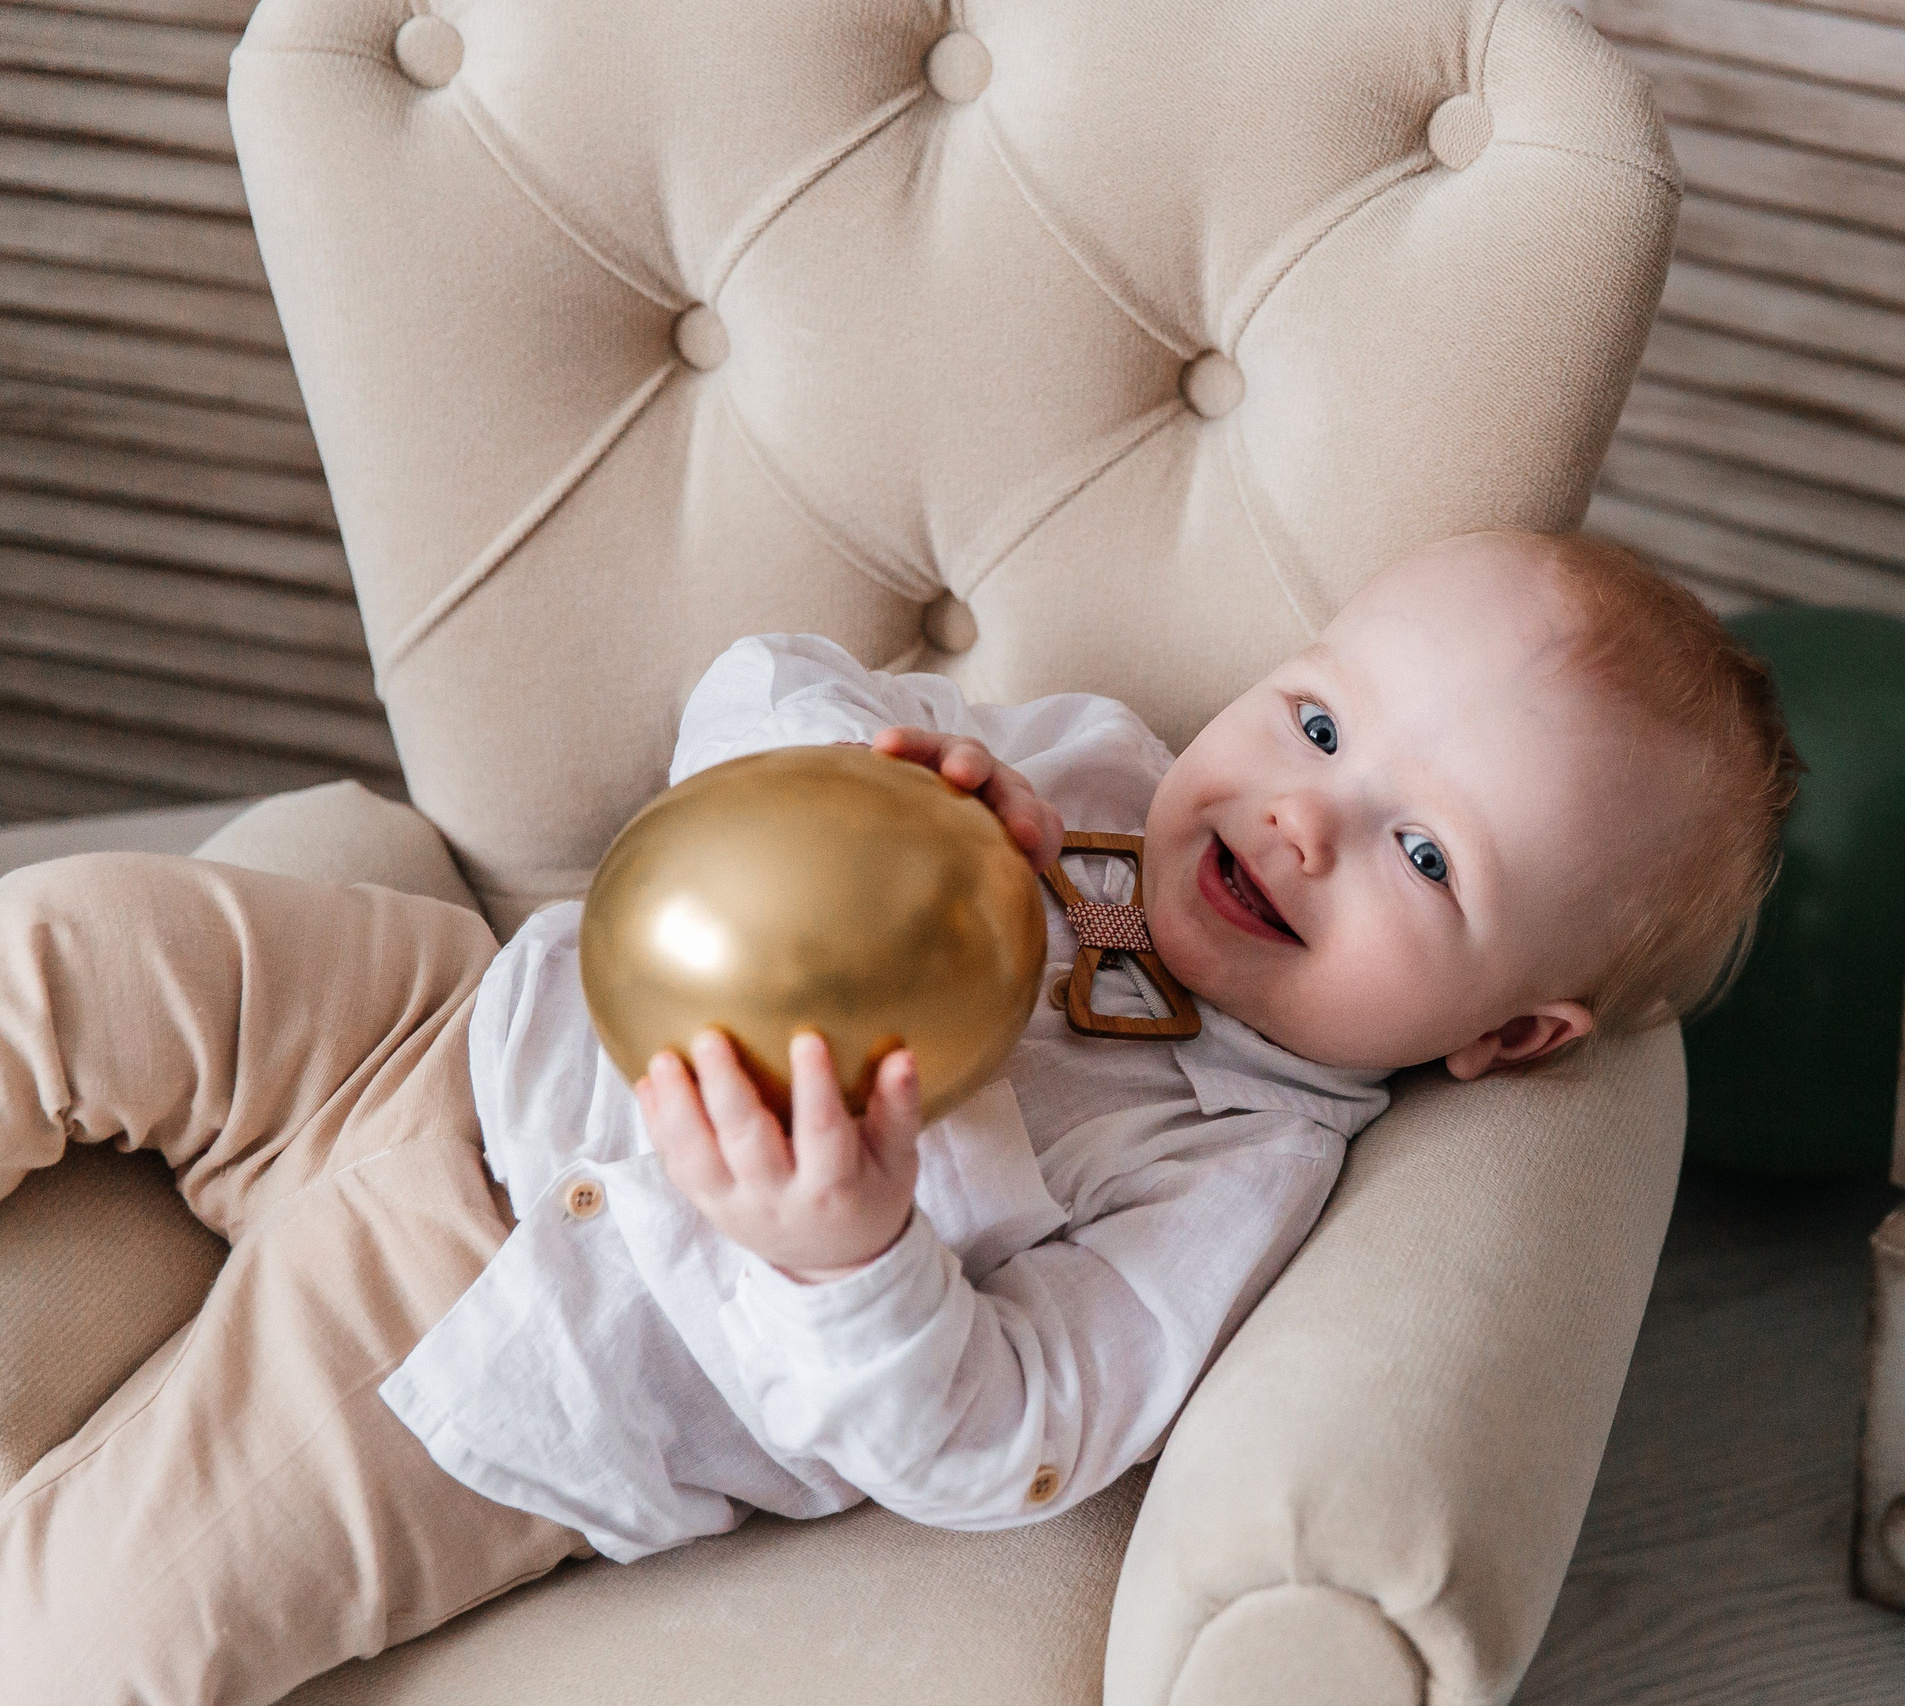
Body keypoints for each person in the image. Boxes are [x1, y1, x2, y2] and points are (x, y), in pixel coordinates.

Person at [0, 529, 1797, 1704]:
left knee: (102, 1628)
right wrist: (860, 762)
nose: (1305, 816)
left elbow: (1003, 1436)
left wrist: (845, 1256)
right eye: (1319, 718)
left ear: (1507, 1033)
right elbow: (751, 685)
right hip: (457, 1023)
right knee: (70, 945)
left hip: (517, 1368)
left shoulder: (1236, 1173)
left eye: (1425, 850)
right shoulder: (1084, 770)